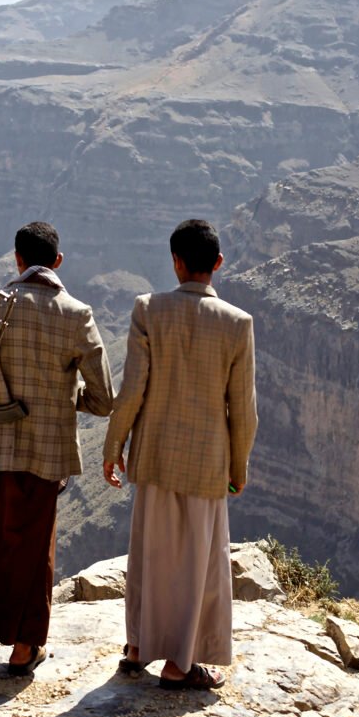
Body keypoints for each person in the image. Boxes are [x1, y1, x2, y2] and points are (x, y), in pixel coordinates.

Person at [0, 221, 114, 675]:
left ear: (16, 259)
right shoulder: (77, 315)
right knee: (32, 551)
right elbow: (103, 398)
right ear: (57, 262)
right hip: (44, 456)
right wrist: (59, 399)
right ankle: (23, 649)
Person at [102, 219, 258, 691]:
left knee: (148, 553)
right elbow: (243, 409)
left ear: (175, 261)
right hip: (207, 461)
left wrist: (115, 446)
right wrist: (238, 467)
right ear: (218, 263)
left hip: (153, 454)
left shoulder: (148, 310)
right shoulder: (237, 324)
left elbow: (132, 390)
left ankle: (137, 647)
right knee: (197, 564)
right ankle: (180, 664)